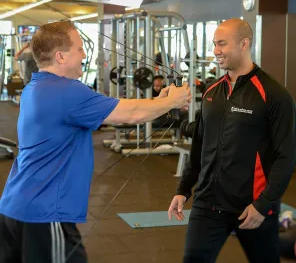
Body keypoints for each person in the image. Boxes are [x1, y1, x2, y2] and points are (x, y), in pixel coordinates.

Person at [0, 20, 192, 263]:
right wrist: (172, 101)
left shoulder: (36, 88)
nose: (84, 54)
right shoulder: (66, 91)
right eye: (79, 48)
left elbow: (116, 108)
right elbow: (130, 114)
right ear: (60, 56)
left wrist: (158, 102)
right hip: (45, 215)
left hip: (14, 209)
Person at [168, 18, 296, 263]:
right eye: (214, 44)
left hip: (252, 207)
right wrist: (184, 189)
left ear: (244, 44)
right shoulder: (211, 92)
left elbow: (287, 155)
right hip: (208, 205)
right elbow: (199, 147)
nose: (215, 51)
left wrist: (264, 204)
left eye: (222, 44)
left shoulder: (275, 95)